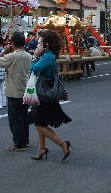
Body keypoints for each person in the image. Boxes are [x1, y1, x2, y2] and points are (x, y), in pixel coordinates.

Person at [29, 30, 72, 161]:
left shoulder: (47, 56)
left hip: (44, 94)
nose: (38, 43)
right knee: (39, 121)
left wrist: (35, 57)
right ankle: (42, 149)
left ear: (46, 43)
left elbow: (34, 69)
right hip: (46, 93)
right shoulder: (49, 54)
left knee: (39, 123)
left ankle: (63, 144)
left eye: (40, 41)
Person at [0, 32, 32, 151]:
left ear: (13, 43)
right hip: (25, 88)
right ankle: (25, 140)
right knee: (24, 116)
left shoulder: (12, 56)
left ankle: (19, 143)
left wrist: (5, 50)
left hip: (13, 90)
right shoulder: (28, 55)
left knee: (15, 119)